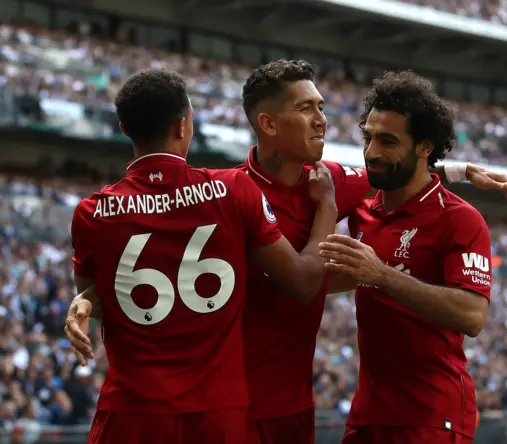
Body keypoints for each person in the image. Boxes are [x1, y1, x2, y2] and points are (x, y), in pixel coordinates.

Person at [66, 61, 507, 444]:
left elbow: (400, 167)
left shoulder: (330, 178)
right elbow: (154, 264)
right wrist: (90, 297)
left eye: (322, 107)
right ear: (267, 123)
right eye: (307, 109)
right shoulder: (228, 197)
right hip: (233, 408)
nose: (323, 119)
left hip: (295, 410)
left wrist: (462, 170)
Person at [71, 68, 338, 444]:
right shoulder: (232, 190)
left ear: (125, 129)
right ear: (184, 127)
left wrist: (81, 303)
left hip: (132, 414)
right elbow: (303, 282)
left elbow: (97, 301)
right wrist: (326, 207)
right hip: (217, 415)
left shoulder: (91, 213)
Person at [319, 71, 491, 444]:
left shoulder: (460, 219)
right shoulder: (361, 207)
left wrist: (381, 275)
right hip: (367, 413)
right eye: (367, 137)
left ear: (424, 146)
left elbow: (472, 315)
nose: (371, 152)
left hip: (432, 415)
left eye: (388, 141)